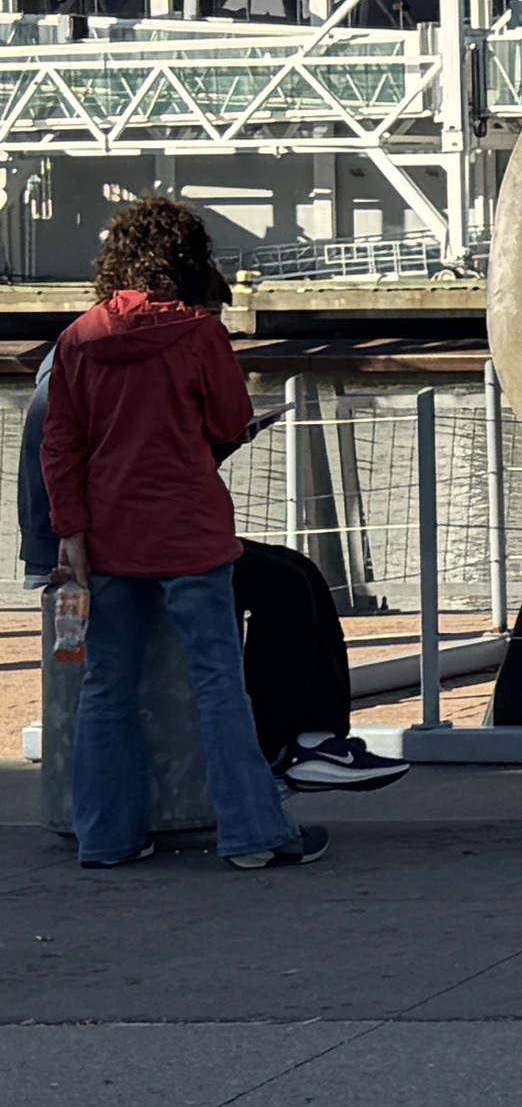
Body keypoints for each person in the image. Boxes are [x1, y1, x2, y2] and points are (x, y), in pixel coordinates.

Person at [43, 197, 327, 868]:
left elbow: (61, 445)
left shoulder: (77, 339)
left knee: (106, 688)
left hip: (109, 533)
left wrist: (72, 532)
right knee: (218, 684)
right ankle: (252, 836)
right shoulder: (198, 334)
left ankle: (105, 839)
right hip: (189, 531)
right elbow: (228, 420)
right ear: (188, 261)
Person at [20, 304, 403, 796]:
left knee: (297, 571)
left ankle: (315, 739)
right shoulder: (161, 346)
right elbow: (112, 455)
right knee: (274, 598)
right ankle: (277, 752)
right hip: (131, 543)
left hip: (110, 533)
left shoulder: (80, 353)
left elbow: (91, 453)